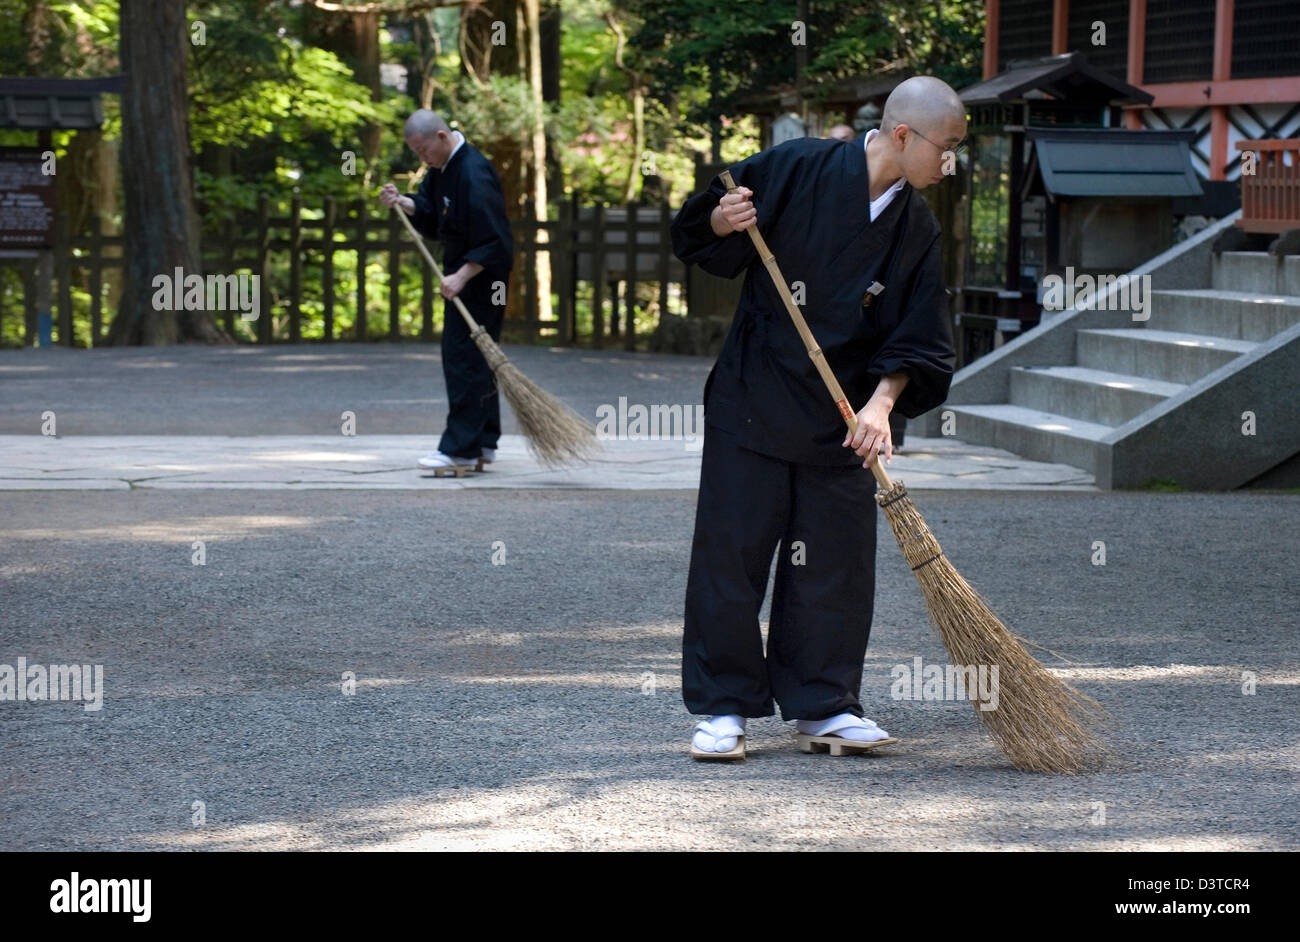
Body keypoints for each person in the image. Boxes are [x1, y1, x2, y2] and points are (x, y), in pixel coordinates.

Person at [672, 76, 964, 759]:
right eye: (946, 147)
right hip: (756, 396)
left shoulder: (915, 225)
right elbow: (700, 228)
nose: (950, 161)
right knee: (732, 555)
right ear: (902, 136)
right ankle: (722, 706)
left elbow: (919, 337)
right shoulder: (798, 166)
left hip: (845, 415)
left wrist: (881, 406)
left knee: (833, 563)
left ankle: (824, 701)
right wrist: (724, 221)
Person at [379, 110, 514, 474]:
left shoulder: (472, 172)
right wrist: (403, 201)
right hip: (465, 276)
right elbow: (431, 214)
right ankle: (484, 441)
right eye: (416, 153)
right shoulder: (443, 170)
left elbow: (495, 241)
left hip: (484, 280)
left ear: (441, 136)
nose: (422, 158)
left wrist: (462, 276)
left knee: (464, 359)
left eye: (424, 150)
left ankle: (461, 449)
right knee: (480, 359)